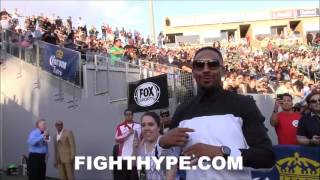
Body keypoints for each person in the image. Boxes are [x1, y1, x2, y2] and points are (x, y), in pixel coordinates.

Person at [158, 47, 275, 180]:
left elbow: (267, 159)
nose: (206, 69)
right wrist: (163, 144)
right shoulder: (182, 111)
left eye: (213, 64)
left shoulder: (243, 104)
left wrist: (222, 153)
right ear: (194, 71)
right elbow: (168, 166)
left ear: (223, 70)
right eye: (199, 65)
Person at [133, 112, 176, 180]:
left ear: (158, 127)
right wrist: (135, 149)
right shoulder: (142, 145)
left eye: (150, 124)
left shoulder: (163, 144)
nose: (146, 128)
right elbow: (139, 169)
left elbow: (170, 173)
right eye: (143, 125)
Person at [114, 109, 141, 180]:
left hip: (136, 156)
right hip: (124, 156)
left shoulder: (138, 125)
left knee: (135, 177)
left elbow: (142, 137)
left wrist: (135, 132)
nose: (128, 116)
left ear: (132, 115)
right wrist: (128, 133)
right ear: (124, 116)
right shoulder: (120, 126)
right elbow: (117, 139)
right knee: (125, 177)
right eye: (127, 115)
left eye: (130, 114)